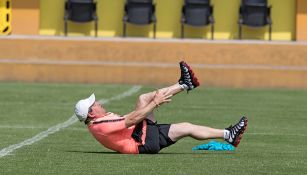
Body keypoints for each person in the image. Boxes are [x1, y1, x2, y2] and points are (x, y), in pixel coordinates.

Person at [74, 61, 248, 154]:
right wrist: (154, 103)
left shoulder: (98, 123)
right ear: (91, 113)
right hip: (142, 143)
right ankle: (185, 85)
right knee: (143, 98)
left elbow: (131, 118)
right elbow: (133, 119)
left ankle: (228, 135)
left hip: (144, 139)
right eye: (94, 104)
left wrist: (151, 105)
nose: (98, 103)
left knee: (186, 127)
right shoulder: (100, 125)